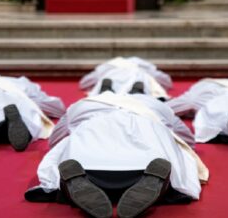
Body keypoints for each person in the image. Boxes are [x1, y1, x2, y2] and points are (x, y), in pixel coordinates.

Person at [25, 92, 208, 218]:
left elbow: (54, 140)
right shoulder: (155, 106)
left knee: (64, 152)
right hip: (146, 157)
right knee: (171, 155)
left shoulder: (83, 105)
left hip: (88, 162)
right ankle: (158, 185)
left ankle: (73, 184)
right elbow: (187, 139)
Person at [80, 57, 172, 100]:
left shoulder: (111, 63)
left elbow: (85, 82)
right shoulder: (140, 63)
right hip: (137, 74)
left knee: (110, 81)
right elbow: (164, 79)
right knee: (144, 83)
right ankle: (138, 94)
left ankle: (106, 93)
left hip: (112, 74)